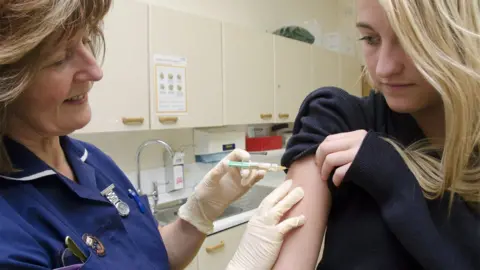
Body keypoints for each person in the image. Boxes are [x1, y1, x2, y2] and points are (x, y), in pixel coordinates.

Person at [0, 1, 306, 269]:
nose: (95, 71)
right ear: (7, 81)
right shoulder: (9, 226)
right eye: (60, 58)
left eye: (87, 41)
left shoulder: (92, 161)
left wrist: (198, 213)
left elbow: (151, 257)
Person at [274, 0, 480, 269]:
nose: (384, 68)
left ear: (459, 37)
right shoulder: (336, 118)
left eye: (409, 40)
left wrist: (397, 181)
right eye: (371, 39)